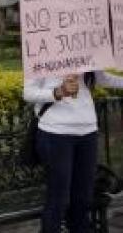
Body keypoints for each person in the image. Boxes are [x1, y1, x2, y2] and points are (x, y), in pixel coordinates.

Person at [25, 71, 123, 232]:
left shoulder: (87, 49)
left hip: (88, 131)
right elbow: (28, 93)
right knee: (59, 198)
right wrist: (58, 92)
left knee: (83, 197)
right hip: (55, 134)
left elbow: (102, 78)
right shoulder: (39, 51)